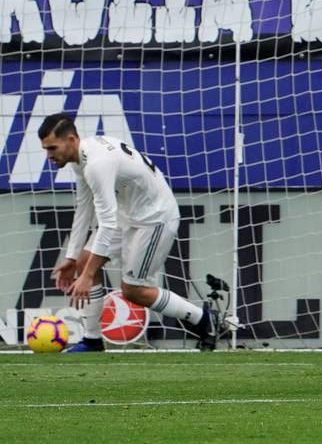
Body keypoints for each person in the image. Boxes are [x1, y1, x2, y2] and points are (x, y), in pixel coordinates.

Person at [38, 114, 216, 352]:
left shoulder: (96, 165)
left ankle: (203, 319)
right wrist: (71, 259)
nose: (49, 156)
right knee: (83, 261)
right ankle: (92, 341)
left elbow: (107, 223)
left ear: (70, 139)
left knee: (133, 290)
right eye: (45, 149)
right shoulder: (81, 158)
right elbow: (84, 209)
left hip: (154, 218)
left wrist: (89, 275)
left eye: (52, 148)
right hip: (128, 215)